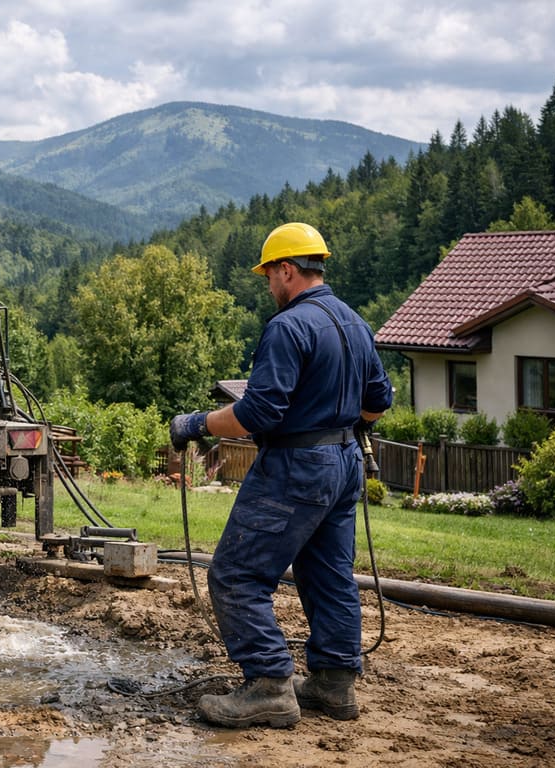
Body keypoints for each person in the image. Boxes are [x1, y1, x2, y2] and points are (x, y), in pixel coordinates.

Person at [170, 222, 392, 728]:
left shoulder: (288, 327)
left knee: (236, 574)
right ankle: (334, 684)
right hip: (344, 464)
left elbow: (258, 413)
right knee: (329, 574)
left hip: (296, 467)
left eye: (269, 275)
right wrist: (341, 423)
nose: (269, 285)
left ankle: (270, 684)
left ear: (287, 270)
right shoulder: (355, 322)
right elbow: (378, 403)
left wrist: (196, 423)